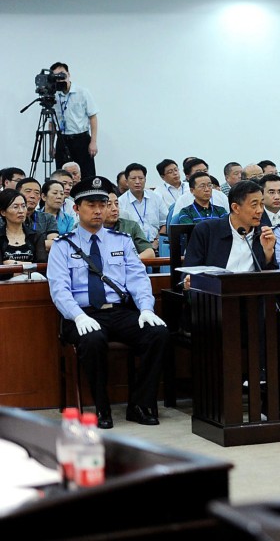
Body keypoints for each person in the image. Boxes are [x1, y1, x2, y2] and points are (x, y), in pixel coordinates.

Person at [47, 176, 168, 428]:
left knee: (158, 333)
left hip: (119, 311)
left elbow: (138, 278)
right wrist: (77, 315)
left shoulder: (121, 241)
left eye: (102, 204)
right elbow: (59, 289)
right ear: (76, 208)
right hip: (82, 314)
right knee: (93, 339)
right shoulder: (62, 245)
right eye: (91, 205)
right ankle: (102, 409)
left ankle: (139, 404)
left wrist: (146, 308)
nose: (99, 210)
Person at [182, 180, 278, 274]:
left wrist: (268, 252)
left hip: (251, 288)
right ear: (235, 208)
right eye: (254, 205)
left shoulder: (264, 233)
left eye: (261, 204)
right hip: (215, 288)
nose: (260, 210)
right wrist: (189, 280)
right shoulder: (207, 231)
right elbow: (189, 271)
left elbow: (271, 279)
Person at [50, 62, 99, 179]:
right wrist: (51, 145)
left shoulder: (82, 92)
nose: (60, 79)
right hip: (62, 139)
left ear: (68, 74)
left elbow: (93, 117)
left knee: (86, 174)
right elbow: (51, 123)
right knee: (61, 175)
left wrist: (93, 142)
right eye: (56, 76)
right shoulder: (54, 95)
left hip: (81, 139)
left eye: (62, 75)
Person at [0, 189, 48, 280]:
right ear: (3, 212)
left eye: (23, 206)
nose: (21, 211)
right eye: (15, 207)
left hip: (33, 282)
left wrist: (14, 265)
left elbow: (42, 268)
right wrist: (28, 266)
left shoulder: (36, 236)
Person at [119, 163, 168, 252]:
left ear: (145, 180)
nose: (137, 182)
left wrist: (157, 241)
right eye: (133, 179)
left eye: (141, 178)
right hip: (132, 247)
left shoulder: (156, 198)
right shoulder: (120, 202)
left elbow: (165, 223)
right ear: (126, 182)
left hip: (156, 245)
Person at [103, 191, 155, 259]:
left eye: (116, 204)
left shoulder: (131, 226)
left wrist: (130, 261)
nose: (115, 209)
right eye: (109, 205)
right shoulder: (92, 228)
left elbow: (150, 253)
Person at [16, 177, 58, 250]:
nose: (32, 196)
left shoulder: (48, 218)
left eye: (37, 193)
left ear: (40, 197)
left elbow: (53, 243)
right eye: (28, 191)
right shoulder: (7, 217)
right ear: (17, 194)